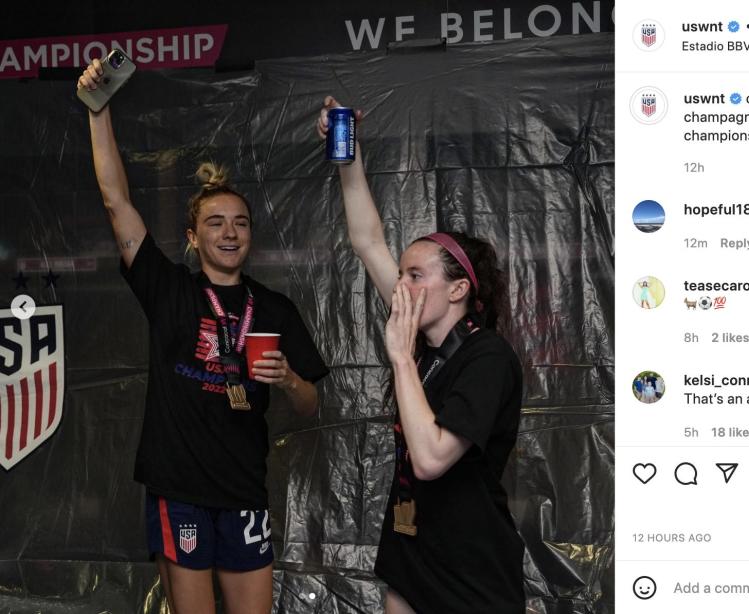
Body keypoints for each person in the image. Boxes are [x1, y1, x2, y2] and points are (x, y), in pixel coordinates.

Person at [78, 59, 329, 614]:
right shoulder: (169, 290)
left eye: (239, 222)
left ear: (251, 237)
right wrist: (98, 111)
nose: (229, 231)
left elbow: (310, 405)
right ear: (193, 237)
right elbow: (116, 200)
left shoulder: (276, 309)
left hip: (243, 491)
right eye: (215, 222)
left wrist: (288, 378)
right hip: (180, 489)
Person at [317, 97, 525, 613]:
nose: (403, 286)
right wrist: (347, 155)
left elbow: (431, 458)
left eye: (416, 276)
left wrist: (401, 361)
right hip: (412, 548)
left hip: (472, 566)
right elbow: (366, 241)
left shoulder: (487, 358)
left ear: (457, 291)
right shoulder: (423, 337)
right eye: (402, 274)